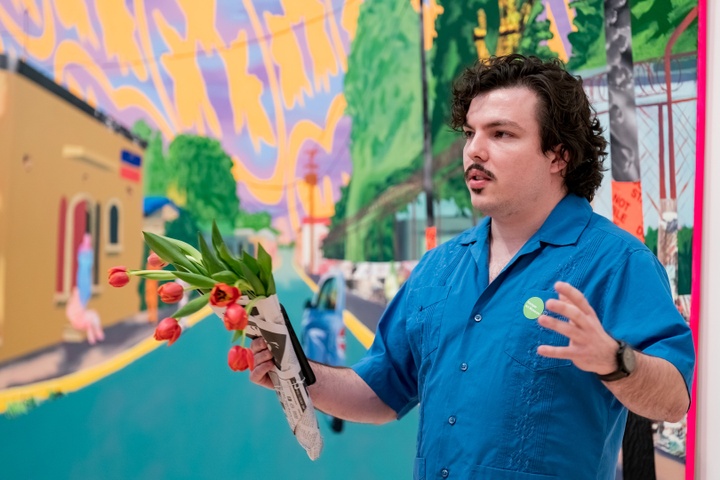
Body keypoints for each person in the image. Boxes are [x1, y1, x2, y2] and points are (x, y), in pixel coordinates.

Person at [249, 54, 695, 479]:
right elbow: (380, 395)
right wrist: (293, 371)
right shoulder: (438, 268)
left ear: (558, 156)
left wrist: (612, 360)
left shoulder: (615, 261)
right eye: (470, 133)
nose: (474, 151)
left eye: (501, 134)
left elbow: (673, 400)